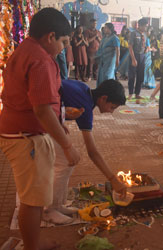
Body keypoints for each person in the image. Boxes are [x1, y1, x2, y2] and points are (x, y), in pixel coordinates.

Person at [0, 8, 80, 250]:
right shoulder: (41, 59)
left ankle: (33, 242)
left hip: (20, 131)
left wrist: (59, 123)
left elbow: (43, 105)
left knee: (32, 197)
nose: (64, 48)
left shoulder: (27, 48)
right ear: (50, 36)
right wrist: (67, 146)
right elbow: (42, 109)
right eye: (64, 42)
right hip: (25, 137)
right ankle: (32, 247)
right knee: (32, 200)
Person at [43, 79, 127, 224]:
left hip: (46, 115)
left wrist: (60, 120)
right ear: (103, 98)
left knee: (66, 160)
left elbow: (60, 95)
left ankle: (56, 205)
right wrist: (113, 180)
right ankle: (49, 210)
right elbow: (92, 152)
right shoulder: (86, 108)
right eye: (112, 107)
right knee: (66, 161)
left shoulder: (84, 88)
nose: (111, 112)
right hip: (36, 118)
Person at [128, 18, 148, 99]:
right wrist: (133, 59)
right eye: (144, 26)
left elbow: (145, 45)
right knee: (132, 76)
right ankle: (130, 94)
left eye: (146, 26)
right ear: (140, 25)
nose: (145, 28)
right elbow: (130, 46)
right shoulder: (133, 33)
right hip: (134, 55)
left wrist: (146, 48)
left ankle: (137, 94)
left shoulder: (145, 35)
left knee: (141, 76)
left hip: (142, 56)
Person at [96, 23, 120, 87]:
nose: (104, 29)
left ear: (109, 29)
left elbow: (117, 49)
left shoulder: (115, 38)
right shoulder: (104, 38)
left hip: (110, 59)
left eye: (106, 28)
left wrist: (117, 60)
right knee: (101, 75)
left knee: (108, 75)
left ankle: (109, 90)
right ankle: (102, 89)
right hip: (103, 59)